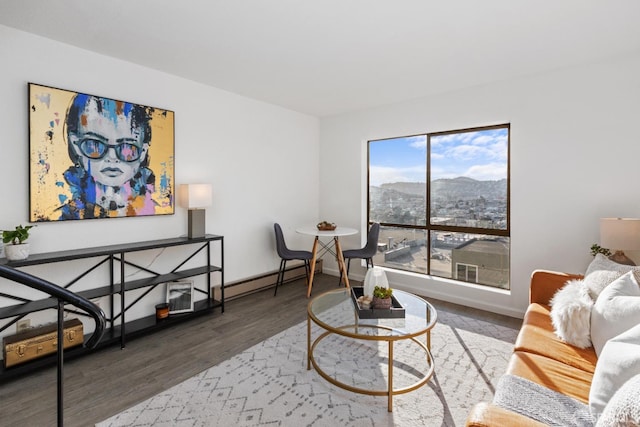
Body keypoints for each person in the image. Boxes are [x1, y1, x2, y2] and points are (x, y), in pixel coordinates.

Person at [58, 94, 156, 219]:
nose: (112, 157)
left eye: (127, 148)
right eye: (94, 145)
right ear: (75, 144)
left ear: (142, 152)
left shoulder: (155, 209)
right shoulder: (63, 215)